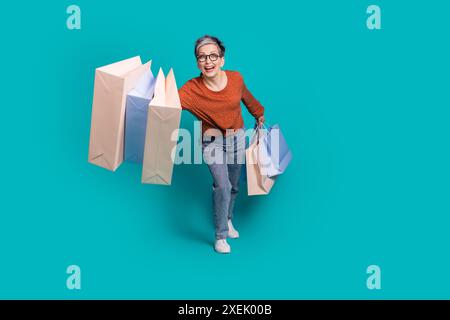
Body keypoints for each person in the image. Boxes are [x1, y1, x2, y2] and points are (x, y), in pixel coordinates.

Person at [178, 35, 265, 253]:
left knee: (234, 185)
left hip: (236, 138)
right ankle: (220, 236)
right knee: (222, 185)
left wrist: (259, 114)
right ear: (197, 62)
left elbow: (247, 97)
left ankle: (227, 218)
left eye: (213, 56)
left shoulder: (236, 79)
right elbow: (164, 103)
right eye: (202, 57)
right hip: (212, 142)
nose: (208, 61)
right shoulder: (190, 90)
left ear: (222, 59)